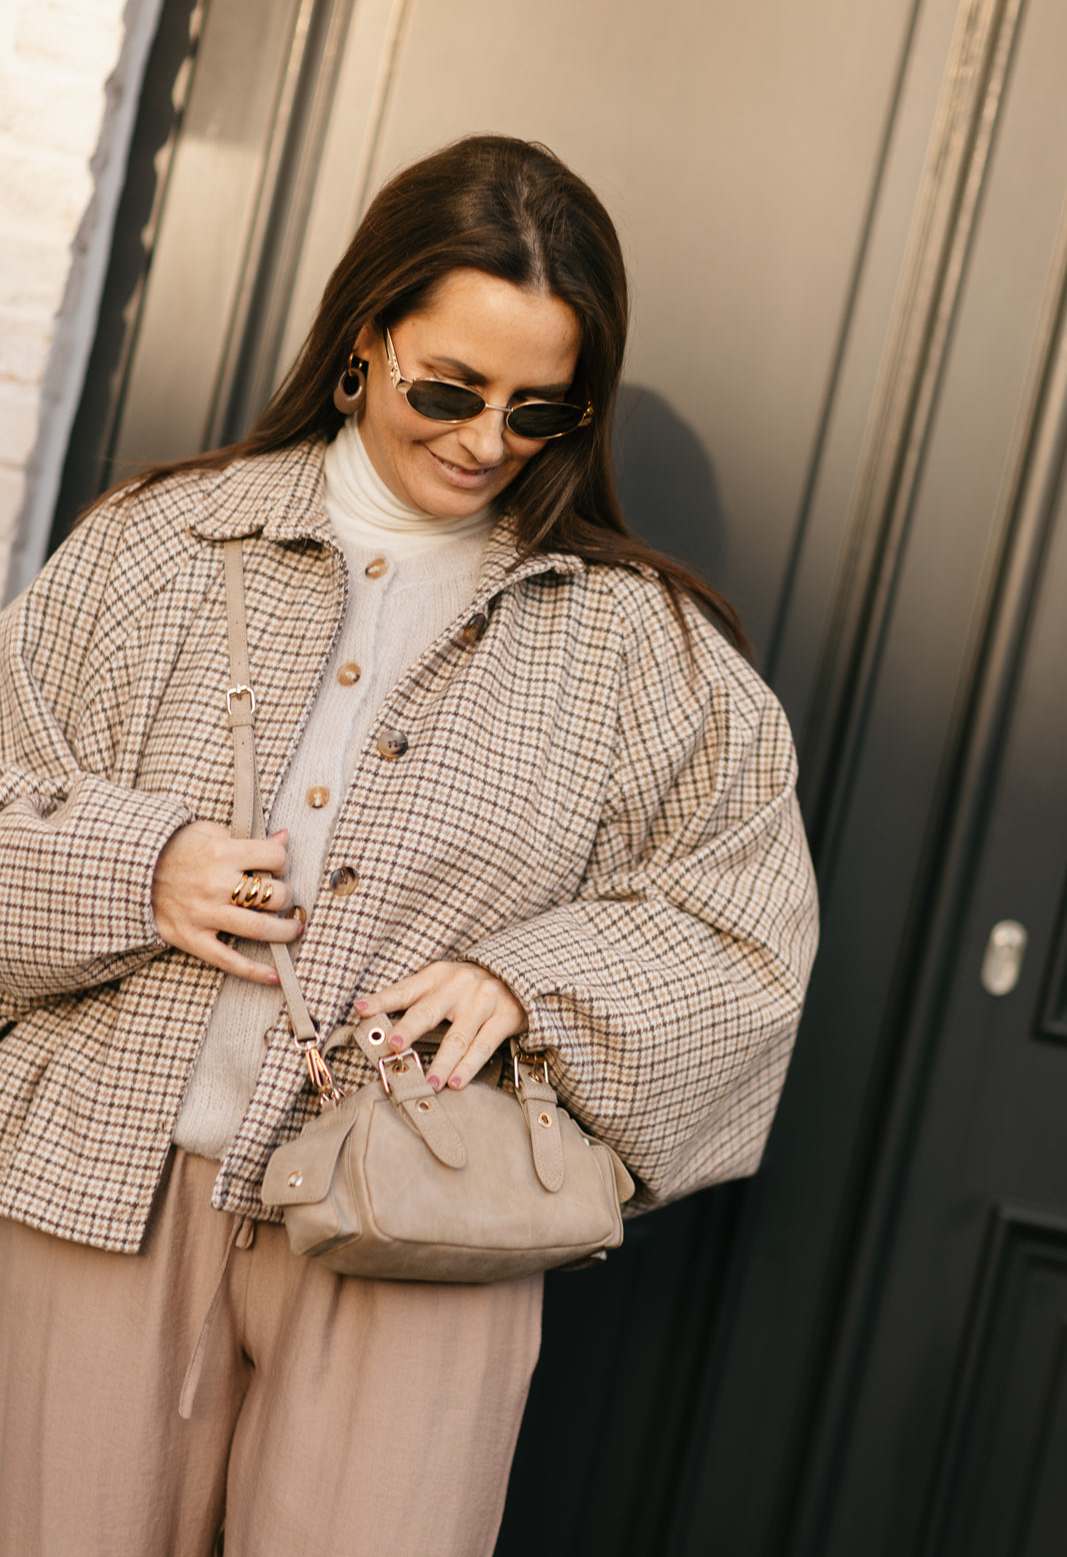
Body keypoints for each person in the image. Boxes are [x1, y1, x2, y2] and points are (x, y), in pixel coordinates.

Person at [0, 134, 818, 1556]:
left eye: (537, 411)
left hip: (421, 1234)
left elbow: (743, 935)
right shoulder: (153, 548)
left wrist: (530, 983)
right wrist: (143, 868)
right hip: (97, 1197)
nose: (485, 441)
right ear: (366, 340)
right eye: (449, 388)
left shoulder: (642, 649)